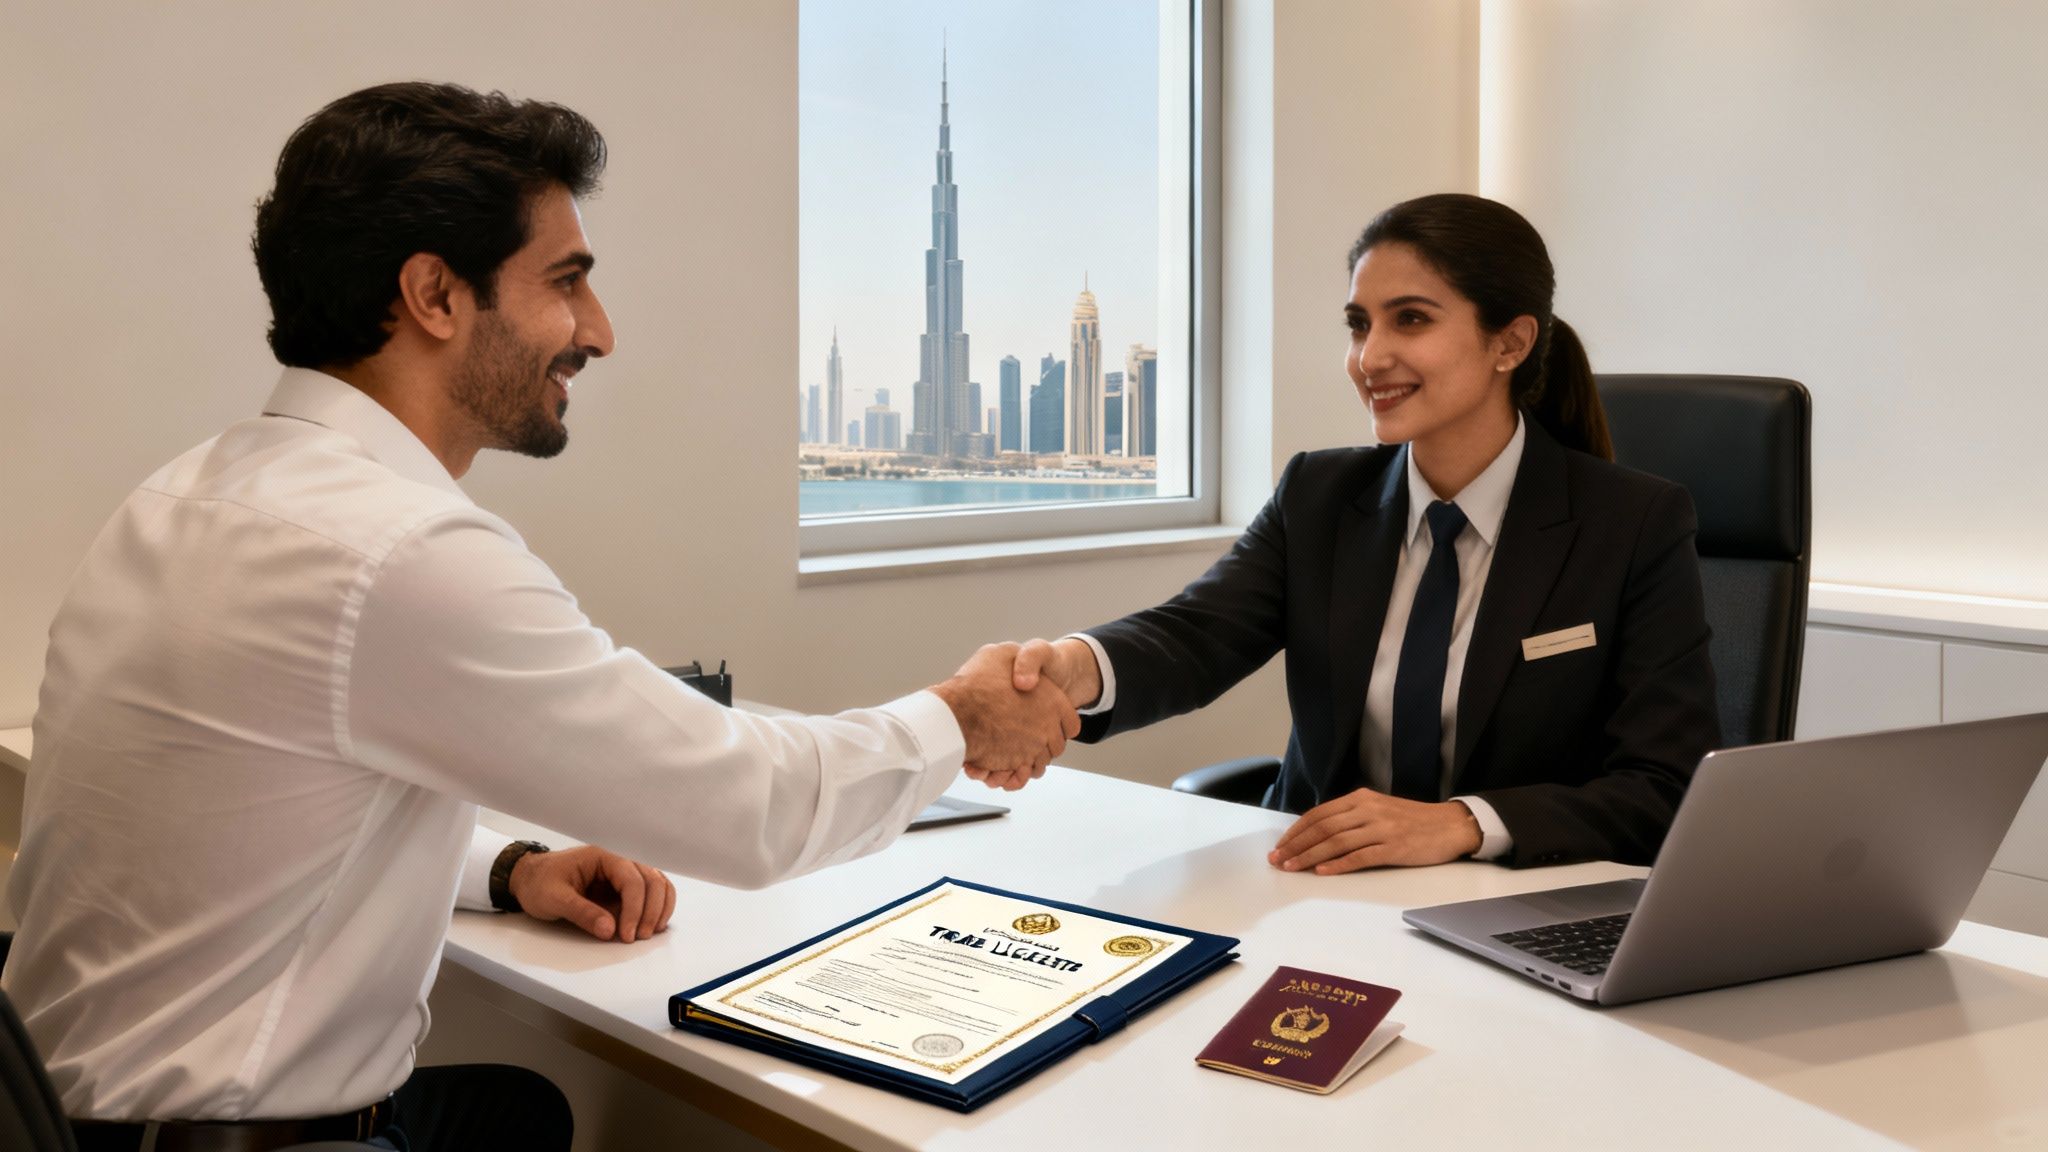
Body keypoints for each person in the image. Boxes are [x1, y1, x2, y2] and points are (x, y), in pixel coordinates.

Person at [2, 82, 1074, 1152]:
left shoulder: (188, 495)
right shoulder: (395, 552)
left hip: (80, 1117)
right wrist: (962, 718)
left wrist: (509, 871)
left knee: (523, 1114)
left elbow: (250, 817)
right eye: (566, 284)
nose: (597, 333)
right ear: (433, 294)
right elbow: (754, 804)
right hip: (235, 1136)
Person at [1006, 193, 1719, 873]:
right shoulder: (1318, 495)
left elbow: (1664, 787)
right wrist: (1075, 666)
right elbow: (1193, 636)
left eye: (1410, 319)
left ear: (1511, 342)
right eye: (1359, 323)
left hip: (1514, 903)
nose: (1368, 357)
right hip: (1321, 886)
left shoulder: (1633, 525)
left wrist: (1463, 823)